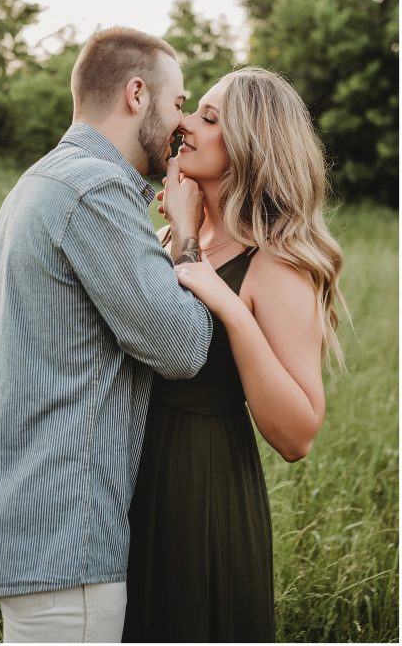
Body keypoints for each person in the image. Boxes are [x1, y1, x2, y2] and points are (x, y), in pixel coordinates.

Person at [0, 26, 214, 643]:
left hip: (31, 521)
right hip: (65, 534)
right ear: (136, 94)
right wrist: (187, 234)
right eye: (179, 102)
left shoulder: (44, 178)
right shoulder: (95, 189)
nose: (182, 124)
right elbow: (183, 345)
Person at [123, 67, 345, 642]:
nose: (184, 124)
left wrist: (233, 308)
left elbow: (297, 435)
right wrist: (182, 231)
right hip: (131, 478)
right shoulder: (177, 236)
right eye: (193, 110)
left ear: (249, 144)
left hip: (199, 487)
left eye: (208, 118)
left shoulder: (276, 263)